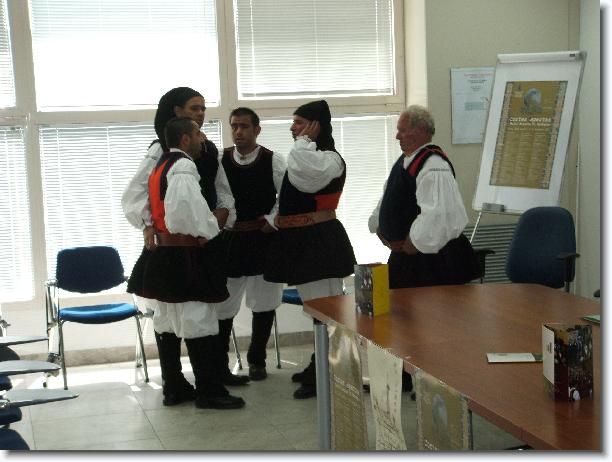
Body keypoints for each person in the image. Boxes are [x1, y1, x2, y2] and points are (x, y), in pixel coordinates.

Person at [122, 87, 243, 405]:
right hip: (187, 246)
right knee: (193, 315)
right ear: (177, 113)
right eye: (194, 108)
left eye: (203, 108)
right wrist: (150, 224)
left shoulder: (205, 150)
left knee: (173, 314)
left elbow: (222, 191)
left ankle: (189, 384)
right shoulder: (167, 156)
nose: (201, 113)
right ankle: (197, 388)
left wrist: (223, 214)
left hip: (185, 245)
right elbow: (148, 198)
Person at [368, 105, 480, 394]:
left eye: (402, 130)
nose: (397, 136)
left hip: (430, 259)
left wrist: (413, 242)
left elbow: (440, 214)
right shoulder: (405, 161)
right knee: (403, 322)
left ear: (420, 131)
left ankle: (435, 380)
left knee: (430, 324)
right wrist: (380, 228)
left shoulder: (433, 165)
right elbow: (389, 199)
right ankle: (405, 376)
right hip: (406, 258)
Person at [264, 100, 356, 399]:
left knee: (325, 310)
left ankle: (327, 371)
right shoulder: (308, 156)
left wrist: (303, 141)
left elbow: (303, 171)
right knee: (316, 306)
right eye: (294, 123)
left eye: (300, 123)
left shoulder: (328, 159)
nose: (293, 128)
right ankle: (320, 364)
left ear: (317, 126)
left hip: (320, 242)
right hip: (302, 242)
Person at [212, 107, 286, 382]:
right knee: (223, 304)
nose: (238, 132)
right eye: (234, 126)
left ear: (257, 130)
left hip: (262, 239)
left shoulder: (273, 160)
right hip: (230, 240)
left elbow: (286, 196)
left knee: (264, 303)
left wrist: (272, 221)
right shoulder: (220, 160)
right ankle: (220, 364)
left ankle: (257, 360)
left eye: (244, 126)